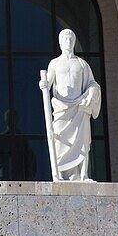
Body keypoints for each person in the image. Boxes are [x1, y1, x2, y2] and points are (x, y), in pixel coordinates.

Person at [39, 28, 101, 182]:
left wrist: (92, 92)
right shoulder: (55, 63)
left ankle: (82, 175)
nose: (68, 41)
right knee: (59, 140)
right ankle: (59, 174)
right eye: (65, 39)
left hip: (80, 107)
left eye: (71, 39)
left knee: (82, 141)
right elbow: (49, 81)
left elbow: (92, 83)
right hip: (62, 108)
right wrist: (44, 83)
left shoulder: (82, 64)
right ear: (60, 42)